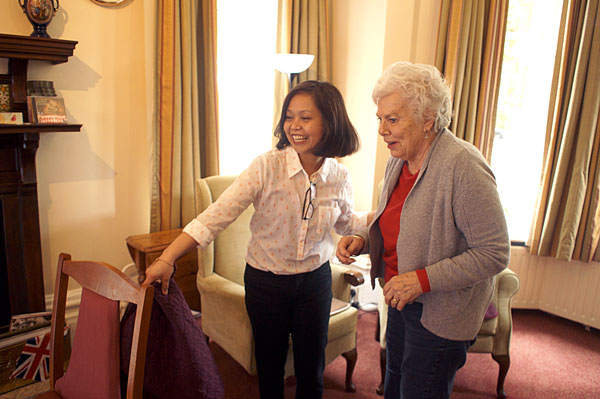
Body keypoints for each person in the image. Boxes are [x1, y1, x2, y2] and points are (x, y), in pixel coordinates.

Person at [142, 80, 367, 399]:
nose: (294, 126)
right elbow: (215, 216)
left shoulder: (339, 177)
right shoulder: (267, 167)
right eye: (289, 117)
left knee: (311, 369)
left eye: (305, 117)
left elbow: (347, 223)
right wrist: (167, 258)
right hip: (266, 283)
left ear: (330, 122)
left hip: (314, 283)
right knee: (270, 369)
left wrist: (360, 233)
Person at [336, 61, 510, 399]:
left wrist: (421, 280)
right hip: (400, 299)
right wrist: (364, 240)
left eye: (393, 119)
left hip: (441, 312)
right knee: (395, 385)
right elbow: (401, 222)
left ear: (428, 118)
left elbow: (494, 252)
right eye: (380, 119)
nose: (382, 130)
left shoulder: (464, 166)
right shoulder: (398, 160)